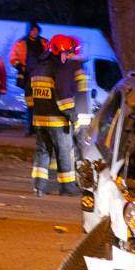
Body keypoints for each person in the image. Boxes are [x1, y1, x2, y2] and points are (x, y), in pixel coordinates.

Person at [30, 34, 90, 197]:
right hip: (57, 120)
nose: (68, 56)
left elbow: (29, 94)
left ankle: (38, 187)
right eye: (67, 53)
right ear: (59, 52)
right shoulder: (59, 69)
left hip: (39, 119)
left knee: (42, 152)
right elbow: (63, 93)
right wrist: (71, 113)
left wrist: (33, 110)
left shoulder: (37, 67)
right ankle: (67, 187)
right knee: (64, 152)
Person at [10, 22, 48, 136]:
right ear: (29, 31)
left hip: (42, 77)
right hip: (27, 77)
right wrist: (19, 66)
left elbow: (51, 55)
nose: (34, 32)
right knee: (30, 104)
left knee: (41, 104)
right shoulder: (21, 43)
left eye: (36, 30)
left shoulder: (45, 42)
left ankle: (40, 129)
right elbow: (13, 57)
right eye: (32, 30)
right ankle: (30, 129)